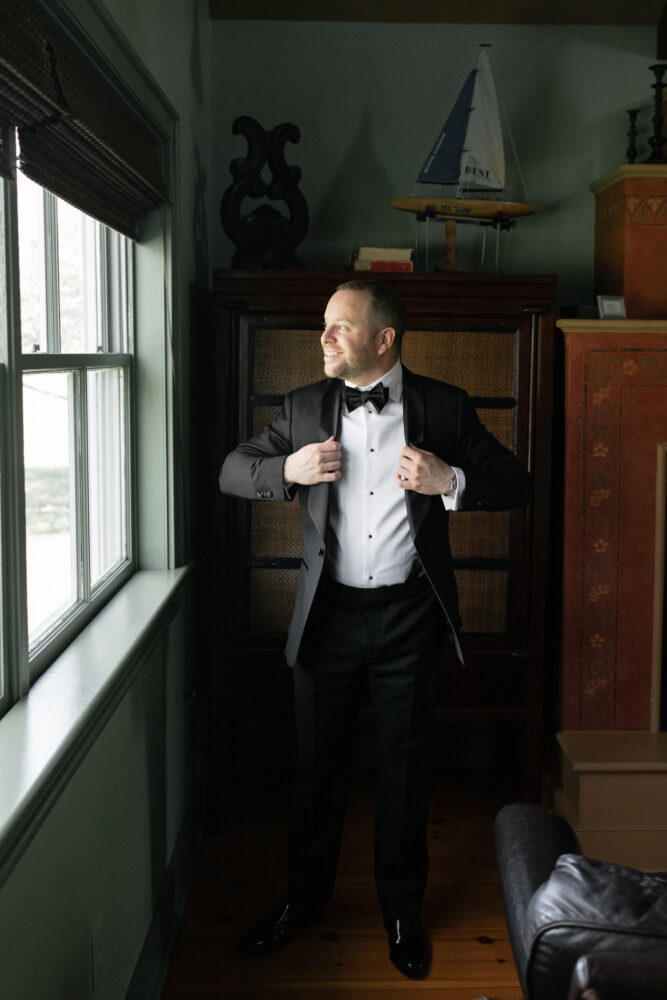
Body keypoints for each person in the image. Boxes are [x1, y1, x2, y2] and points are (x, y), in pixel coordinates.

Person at [219, 279, 531, 979]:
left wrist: (449, 479)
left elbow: (516, 482)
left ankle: (401, 912)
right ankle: (303, 903)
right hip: (326, 617)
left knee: (404, 772)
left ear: (384, 340)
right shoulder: (301, 407)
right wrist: (286, 469)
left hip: (408, 618)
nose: (323, 337)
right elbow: (232, 471)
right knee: (315, 772)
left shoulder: (444, 406)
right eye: (325, 326)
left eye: (340, 326)